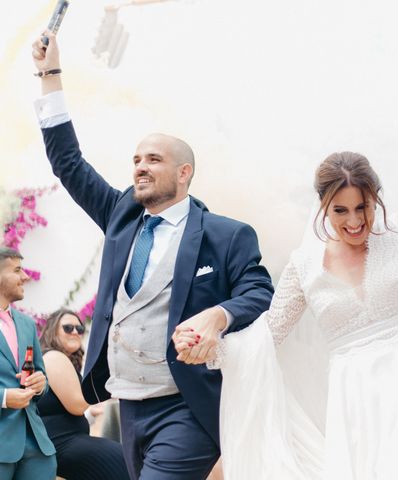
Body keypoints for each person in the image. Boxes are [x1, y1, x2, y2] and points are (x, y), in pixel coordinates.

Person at [175, 38, 398, 479]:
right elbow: (268, 335)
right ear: (324, 208)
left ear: (375, 199)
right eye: (341, 211)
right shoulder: (305, 265)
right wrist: (212, 346)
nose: (354, 222)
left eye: (363, 207)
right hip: (357, 401)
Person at [31, 34, 274, 479]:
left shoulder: (226, 234)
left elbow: (259, 290)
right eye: (137, 159)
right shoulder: (121, 217)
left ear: (184, 173)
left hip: (188, 406)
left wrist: (218, 315)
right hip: (128, 408)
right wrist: (50, 76)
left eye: (154, 159)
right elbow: (68, 162)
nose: (140, 166)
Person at [37, 308, 129, 479]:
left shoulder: (61, 360)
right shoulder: (54, 356)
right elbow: (78, 405)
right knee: (125, 461)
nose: (75, 332)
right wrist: (103, 385)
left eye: (79, 329)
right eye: (67, 328)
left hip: (68, 441)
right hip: (62, 443)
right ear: (52, 330)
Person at [0, 247, 56, 479]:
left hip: (36, 446)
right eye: (17, 270)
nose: (25, 276)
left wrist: (41, 383)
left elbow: (41, 376)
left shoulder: (26, 324)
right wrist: (3, 399)